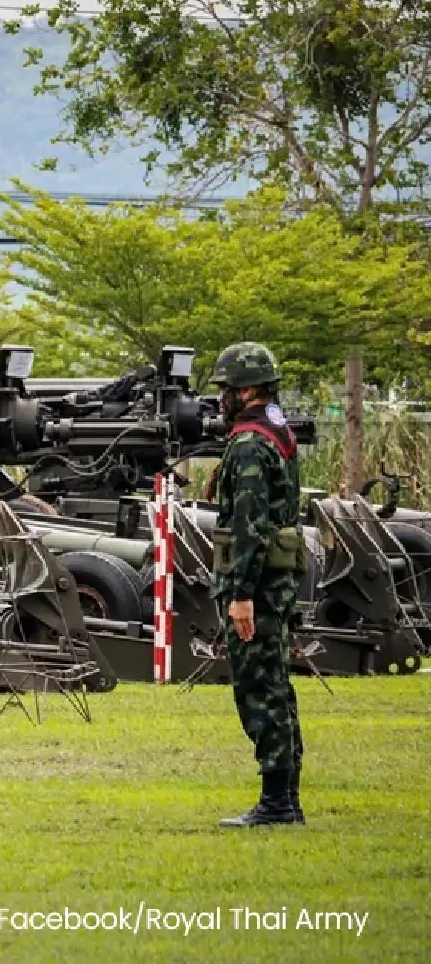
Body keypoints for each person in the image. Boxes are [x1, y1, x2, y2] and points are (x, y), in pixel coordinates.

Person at [206, 341, 306, 827]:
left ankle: (277, 803)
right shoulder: (277, 431)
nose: (221, 398)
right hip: (277, 583)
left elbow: (250, 526)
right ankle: (285, 798)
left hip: (258, 587)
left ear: (245, 391)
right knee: (277, 688)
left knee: (260, 691)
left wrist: (241, 595)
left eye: (226, 389)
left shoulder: (250, 443)